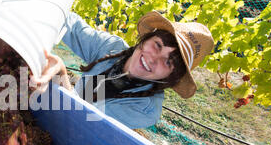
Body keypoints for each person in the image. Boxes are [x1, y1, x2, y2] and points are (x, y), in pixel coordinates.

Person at [30, 11, 214, 129]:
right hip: (62, 113)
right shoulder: (113, 48)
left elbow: (79, 122)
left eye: (168, 62)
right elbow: (71, 25)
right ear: (145, 40)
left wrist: (61, 73)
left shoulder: (145, 109)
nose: (154, 58)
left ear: (170, 78)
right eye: (157, 45)